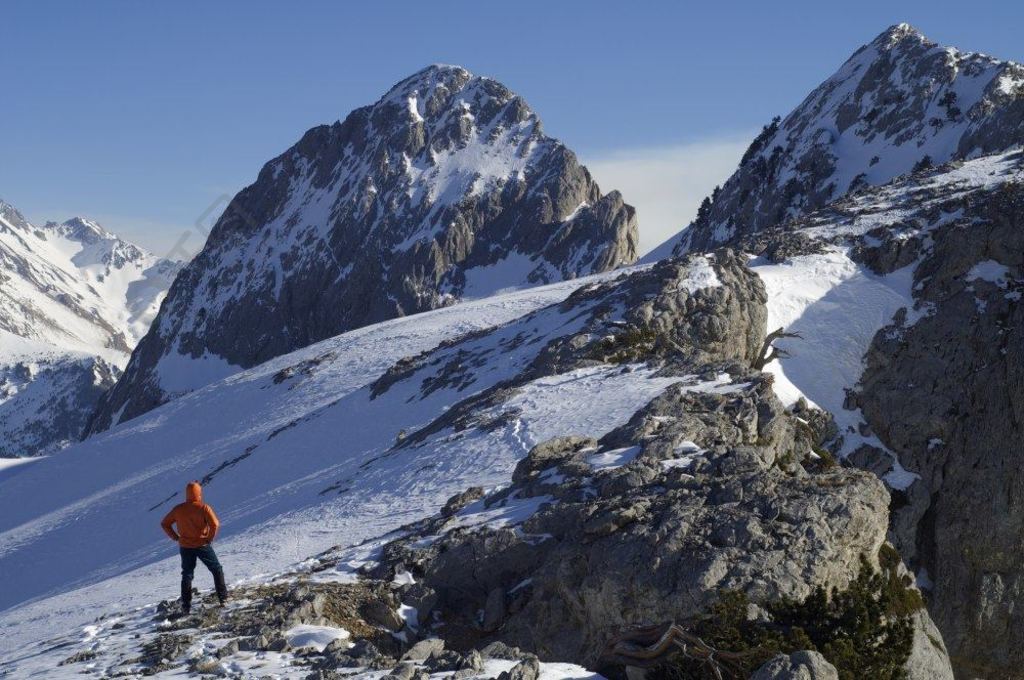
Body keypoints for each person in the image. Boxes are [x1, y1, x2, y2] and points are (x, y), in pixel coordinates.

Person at [160, 481, 228, 614]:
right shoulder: (203, 508)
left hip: (185, 546)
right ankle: (223, 598)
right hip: (202, 544)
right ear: (199, 493)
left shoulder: (178, 509)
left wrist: (176, 537)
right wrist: (209, 538)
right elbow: (215, 524)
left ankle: (186, 605)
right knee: (216, 569)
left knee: (187, 574)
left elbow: (164, 523)